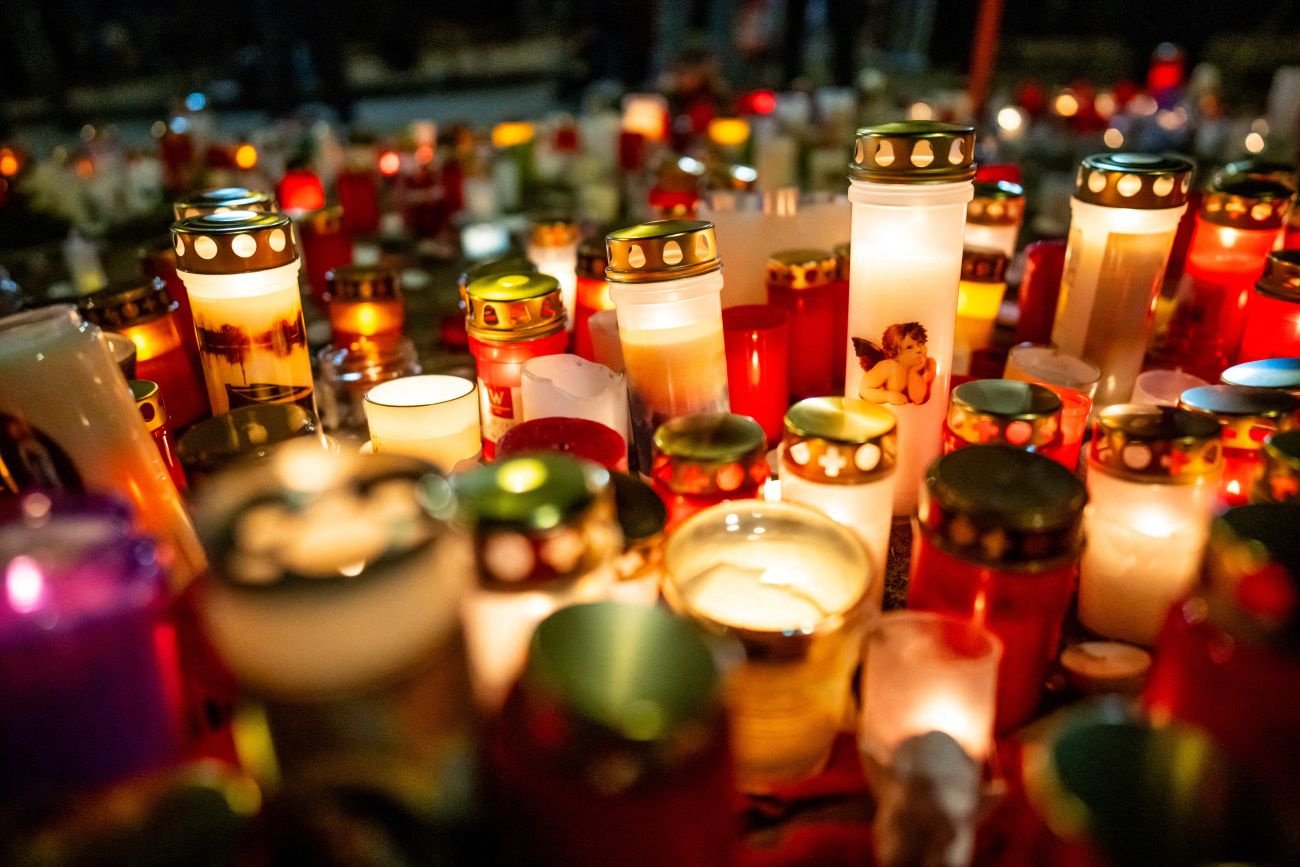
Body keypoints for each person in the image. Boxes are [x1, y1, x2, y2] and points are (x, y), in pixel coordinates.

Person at [853, 322, 936, 405]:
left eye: (920, 343)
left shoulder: (929, 364)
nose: (918, 349)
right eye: (909, 347)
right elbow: (863, 390)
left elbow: (918, 399)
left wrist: (913, 372)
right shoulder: (888, 367)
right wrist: (888, 396)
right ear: (895, 354)